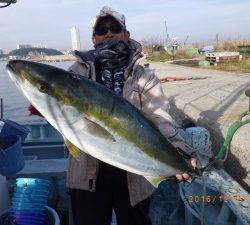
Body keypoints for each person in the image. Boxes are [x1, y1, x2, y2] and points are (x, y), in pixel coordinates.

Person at [29, 6, 196, 225]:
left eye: (115, 28)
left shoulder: (144, 77)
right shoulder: (77, 73)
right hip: (87, 173)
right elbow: (64, 106)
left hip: (135, 174)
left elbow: (158, 117)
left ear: (126, 34)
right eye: (101, 29)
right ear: (94, 38)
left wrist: (178, 150)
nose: (108, 33)